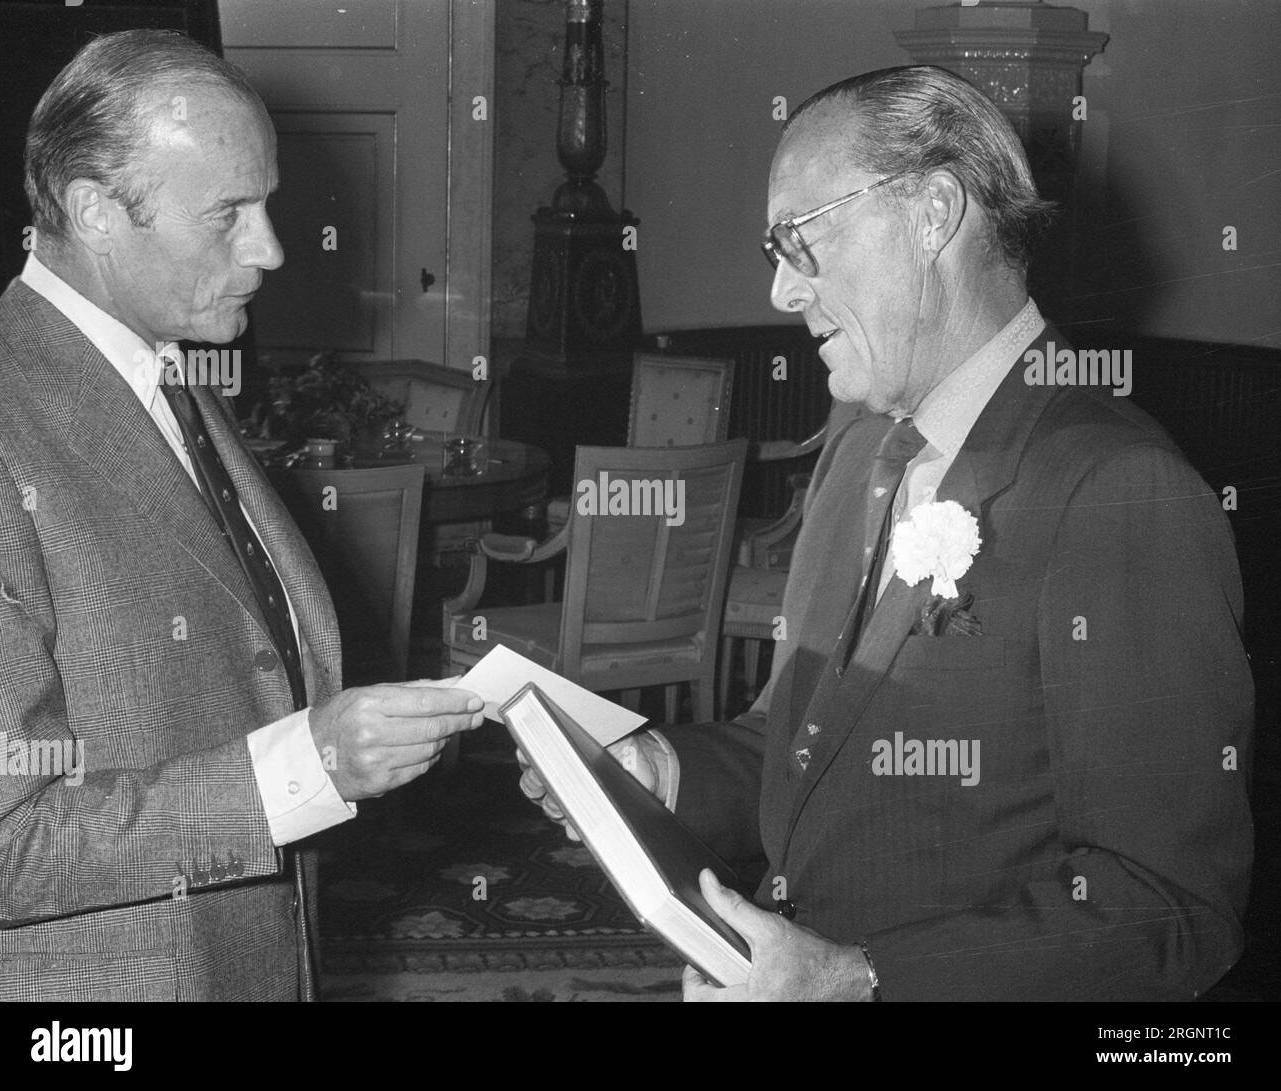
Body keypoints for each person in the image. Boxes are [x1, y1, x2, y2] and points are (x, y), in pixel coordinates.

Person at [521, 65, 1253, 1001]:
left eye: (801, 239)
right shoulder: (859, 448)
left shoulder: (1118, 490)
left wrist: (860, 977)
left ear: (933, 212)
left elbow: (1169, 906)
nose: (784, 291)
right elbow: (797, 750)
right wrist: (653, 771)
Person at [0, 29, 483, 1001]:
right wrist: (309, 762)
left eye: (268, 203)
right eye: (228, 215)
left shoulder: (167, 375)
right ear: (94, 212)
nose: (271, 248)